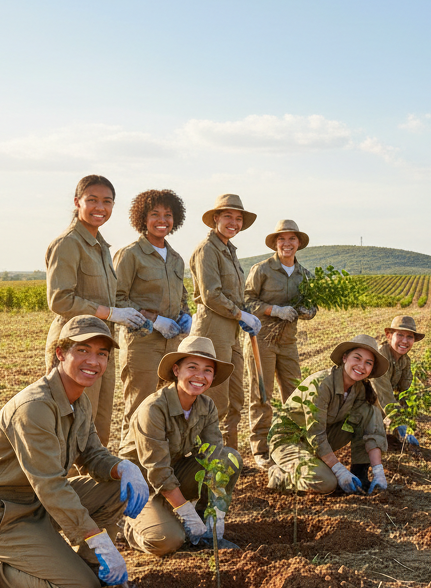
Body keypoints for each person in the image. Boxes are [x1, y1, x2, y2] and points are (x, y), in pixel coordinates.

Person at [0, 316, 150, 588]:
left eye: (102, 353)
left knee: (115, 489)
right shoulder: (35, 408)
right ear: (60, 353)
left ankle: (90, 566)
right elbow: (51, 486)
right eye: (83, 350)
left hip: (36, 503)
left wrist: (123, 468)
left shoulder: (80, 400)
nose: (94, 361)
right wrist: (98, 539)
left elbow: (91, 455)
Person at [45, 175, 147, 446]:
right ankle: (64, 487)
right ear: (77, 202)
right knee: (71, 425)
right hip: (74, 346)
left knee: (97, 424)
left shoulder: (101, 246)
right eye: (92, 200)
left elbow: (108, 295)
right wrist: (110, 313)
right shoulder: (68, 243)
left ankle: (91, 486)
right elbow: (60, 300)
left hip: (102, 345)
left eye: (107, 201)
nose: (100, 207)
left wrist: (137, 316)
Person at [119, 336, 242, 555]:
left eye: (207, 370)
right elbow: (157, 471)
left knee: (228, 458)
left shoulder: (206, 406)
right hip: (140, 486)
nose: (200, 376)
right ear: (176, 370)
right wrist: (187, 513)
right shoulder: (153, 409)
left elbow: (214, 457)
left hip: (171, 474)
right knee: (168, 541)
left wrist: (217, 512)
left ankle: (207, 530)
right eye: (192, 367)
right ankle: (128, 526)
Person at [266, 334, 390, 495]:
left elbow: (371, 429)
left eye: (368, 363)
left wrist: (379, 472)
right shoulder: (321, 385)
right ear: (344, 358)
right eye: (357, 358)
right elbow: (316, 434)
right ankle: (279, 476)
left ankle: (360, 474)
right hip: (290, 441)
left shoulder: (358, 389)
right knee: (327, 483)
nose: (361, 366)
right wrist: (339, 470)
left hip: (318, 438)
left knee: (370, 410)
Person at [113, 189, 192, 439]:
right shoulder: (130, 255)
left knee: (167, 409)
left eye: (168, 214)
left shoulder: (177, 259)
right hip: (143, 345)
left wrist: (185, 316)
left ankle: (159, 467)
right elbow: (116, 299)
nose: (162, 220)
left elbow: (182, 298)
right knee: (139, 409)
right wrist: (154, 320)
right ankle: (132, 469)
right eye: (155, 214)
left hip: (173, 345)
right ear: (142, 219)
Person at [190, 194, 261, 451]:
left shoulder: (229, 250)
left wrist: (244, 314)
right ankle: (204, 459)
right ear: (216, 218)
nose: (234, 222)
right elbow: (211, 295)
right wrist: (241, 314)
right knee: (214, 397)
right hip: (213, 328)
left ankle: (229, 455)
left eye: (238, 218)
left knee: (235, 397)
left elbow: (233, 294)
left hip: (230, 329)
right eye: (228, 216)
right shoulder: (207, 249)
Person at [244, 219, 315, 468]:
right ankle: (261, 449)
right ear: (275, 243)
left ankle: (290, 443)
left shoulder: (304, 275)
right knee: (262, 394)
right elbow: (246, 302)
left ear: (298, 243)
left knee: (295, 393)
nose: (287, 243)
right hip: (261, 339)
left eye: (292, 239)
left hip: (288, 341)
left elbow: (313, 305)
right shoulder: (262, 270)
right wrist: (274, 310)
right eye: (282, 239)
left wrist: (308, 311)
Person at [375, 315, 424, 446]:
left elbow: (403, 393)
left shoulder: (404, 360)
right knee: (373, 441)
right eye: (400, 335)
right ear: (389, 335)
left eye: (410, 337)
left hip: (382, 407)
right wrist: (400, 424)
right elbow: (384, 395)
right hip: (362, 407)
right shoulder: (380, 357)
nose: (405, 341)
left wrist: (404, 422)